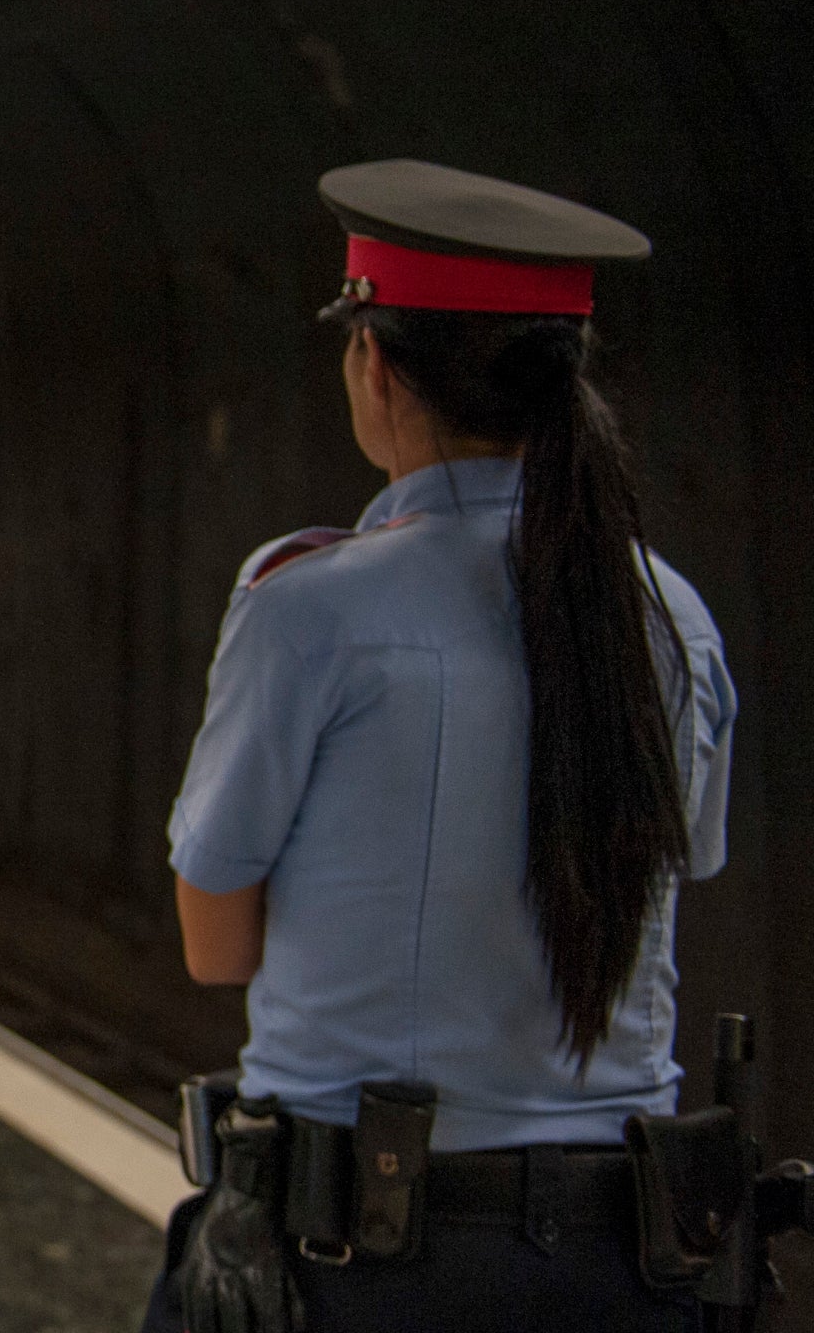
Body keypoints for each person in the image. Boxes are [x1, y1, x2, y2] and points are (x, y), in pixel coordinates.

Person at [146, 161, 736, 1333]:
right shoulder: (669, 616)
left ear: (376, 364)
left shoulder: (308, 607)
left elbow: (215, 942)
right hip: (626, 1262)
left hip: (360, 1254)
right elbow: (681, 870)